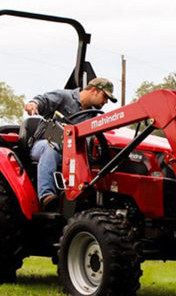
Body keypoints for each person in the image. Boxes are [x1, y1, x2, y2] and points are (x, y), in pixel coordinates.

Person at [25, 77, 118, 211]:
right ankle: (46, 195)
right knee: (50, 147)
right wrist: (34, 104)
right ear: (94, 90)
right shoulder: (64, 96)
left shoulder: (92, 115)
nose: (106, 101)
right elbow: (43, 100)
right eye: (105, 97)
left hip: (70, 153)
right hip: (44, 145)